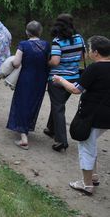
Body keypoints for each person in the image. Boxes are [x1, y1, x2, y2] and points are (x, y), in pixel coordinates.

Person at [52, 35, 110, 195]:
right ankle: (94, 177)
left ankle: (86, 184)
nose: (88, 52)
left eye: (90, 49)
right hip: (107, 117)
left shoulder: (94, 68)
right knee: (91, 143)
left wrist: (60, 80)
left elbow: (76, 89)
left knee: (85, 147)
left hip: (92, 115)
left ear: (96, 52)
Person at [6, 21, 50, 150]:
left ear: (27, 32)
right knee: (33, 103)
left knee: (22, 103)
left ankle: (23, 136)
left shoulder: (23, 45)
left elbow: (16, 63)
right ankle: (26, 127)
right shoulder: (46, 45)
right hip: (41, 79)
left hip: (26, 78)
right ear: (40, 32)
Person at [46, 13, 86, 152]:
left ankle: (61, 140)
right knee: (58, 103)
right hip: (74, 78)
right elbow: (82, 57)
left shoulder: (58, 41)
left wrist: (47, 61)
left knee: (58, 107)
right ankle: (51, 129)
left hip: (57, 79)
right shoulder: (79, 38)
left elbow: (55, 61)